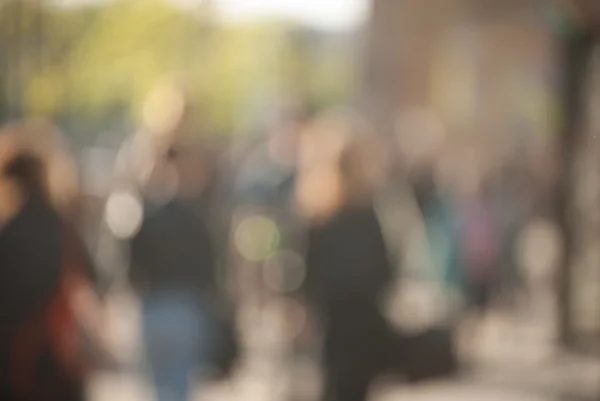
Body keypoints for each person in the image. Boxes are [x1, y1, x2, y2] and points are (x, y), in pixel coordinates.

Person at [295, 111, 396, 401]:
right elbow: (384, 270)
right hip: (361, 323)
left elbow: (307, 271)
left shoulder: (317, 214)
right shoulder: (367, 212)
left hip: (331, 324)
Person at [0, 122, 98, 401]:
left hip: (10, 362)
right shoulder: (63, 228)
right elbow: (89, 279)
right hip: (55, 357)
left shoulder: (7, 230)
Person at [127, 144, 218, 401]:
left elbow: (132, 267)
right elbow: (210, 267)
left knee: (161, 388)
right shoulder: (196, 216)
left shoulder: (147, 216)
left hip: (156, 306)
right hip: (186, 308)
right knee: (178, 385)